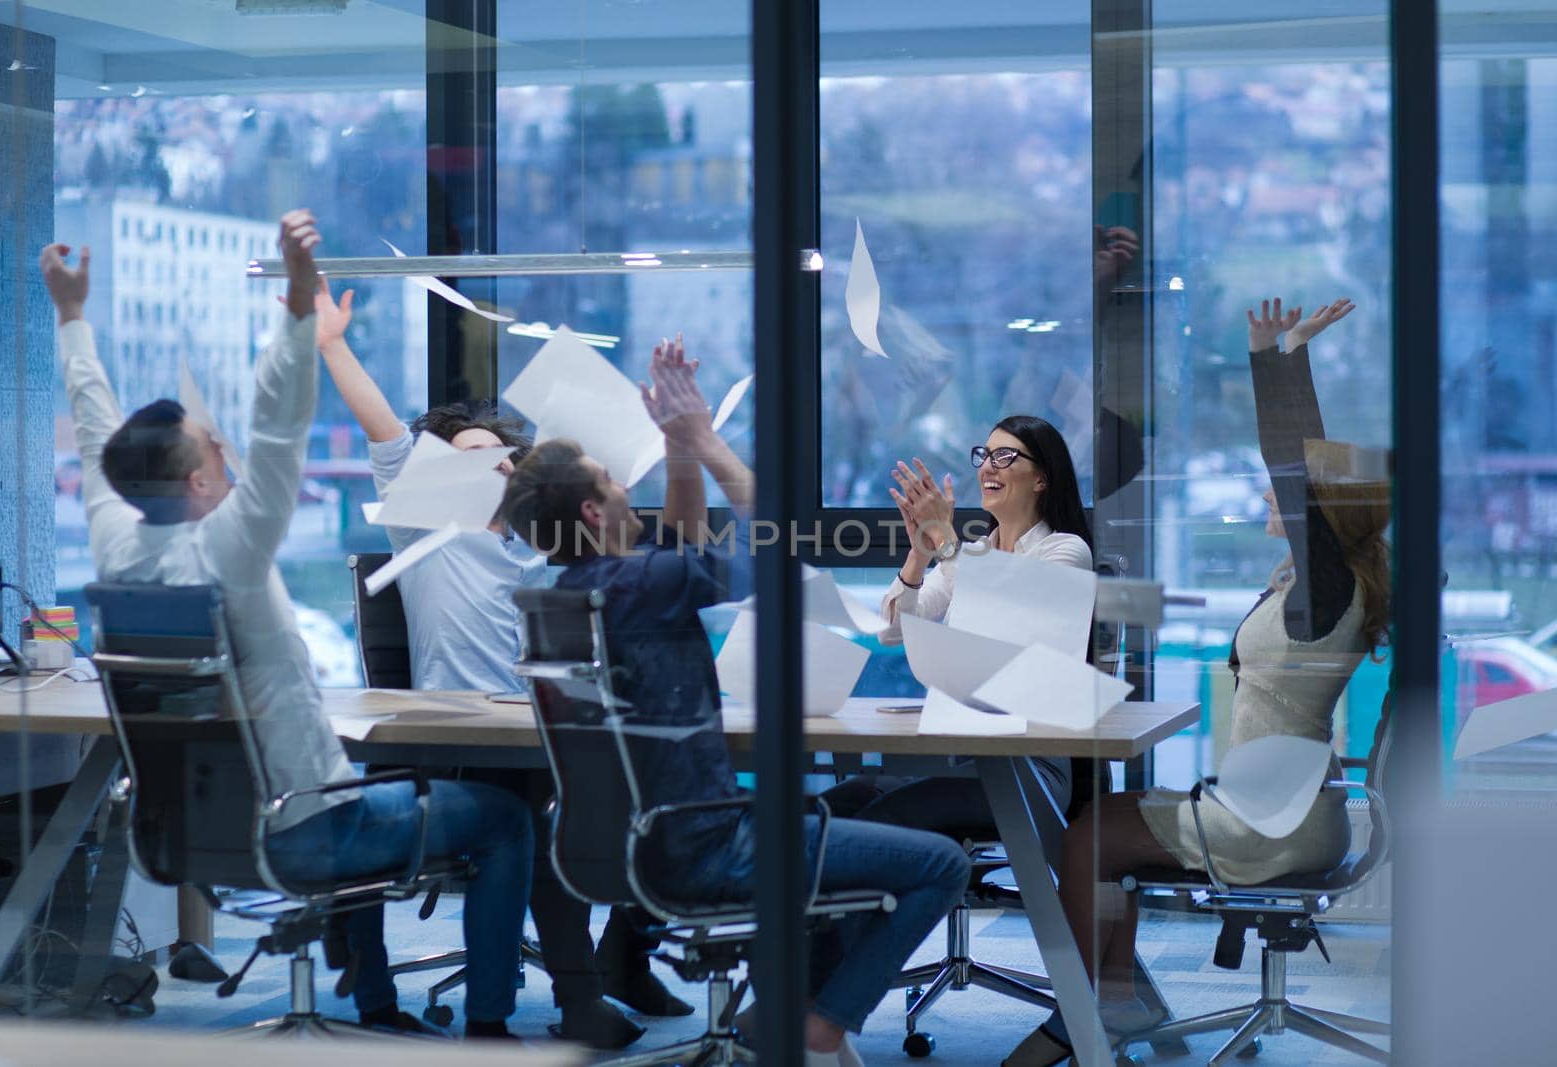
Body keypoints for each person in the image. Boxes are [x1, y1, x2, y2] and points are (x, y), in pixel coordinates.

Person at [42, 214, 535, 1042]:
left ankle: (375, 1004)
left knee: (382, 786)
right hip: (307, 823)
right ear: (202, 478)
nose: (229, 444)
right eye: (214, 444)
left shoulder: (114, 536)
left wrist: (71, 317)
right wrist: (299, 307)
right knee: (506, 817)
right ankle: (487, 1023)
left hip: (196, 835)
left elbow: (98, 437)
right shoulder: (235, 547)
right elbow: (279, 424)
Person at [499, 338, 973, 1067]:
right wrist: (708, 441)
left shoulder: (571, 592)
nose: (631, 488)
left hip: (626, 852)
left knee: (837, 818)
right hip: (711, 844)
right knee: (941, 863)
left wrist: (677, 447)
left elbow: (685, 545)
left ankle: (774, 1013)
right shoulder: (643, 588)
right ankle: (824, 1020)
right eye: (613, 482)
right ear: (595, 511)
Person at [1003, 297, 1392, 1067]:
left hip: (1270, 819)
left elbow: (1294, 464)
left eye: (1290, 496)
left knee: (1085, 838)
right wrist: (1289, 354)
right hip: (1288, 803)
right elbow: (1307, 469)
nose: (1266, 494)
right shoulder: (1330, 584)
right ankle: (1114, 996)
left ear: (1321, 513)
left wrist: (1272, 362)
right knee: (1102, 821)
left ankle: (1077, 1015)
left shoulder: (1325, 589)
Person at [313, 284, 683, 1045]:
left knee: (631, 800)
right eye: (469, 459)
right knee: (535, 832)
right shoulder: (424, 524)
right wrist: (332, 345)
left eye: (502, 460)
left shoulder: (544, 542)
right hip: (446, 743)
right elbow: (382, 428)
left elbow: (621, 521)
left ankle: (618, 961)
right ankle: (564, 999)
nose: (492, 470)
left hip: (535, 734)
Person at [823, 415, 1095, 827]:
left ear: (1041, 479)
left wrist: (944, 540)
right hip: (961, 757)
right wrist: (920, 552)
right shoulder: (975, 556)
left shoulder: (1066, 551)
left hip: (1028, 770)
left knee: (880, 817)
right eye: (984, 456)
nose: (987, 466)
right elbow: (892, 630)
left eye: (1004, 456)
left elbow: (1004, 615)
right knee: (840, 802)